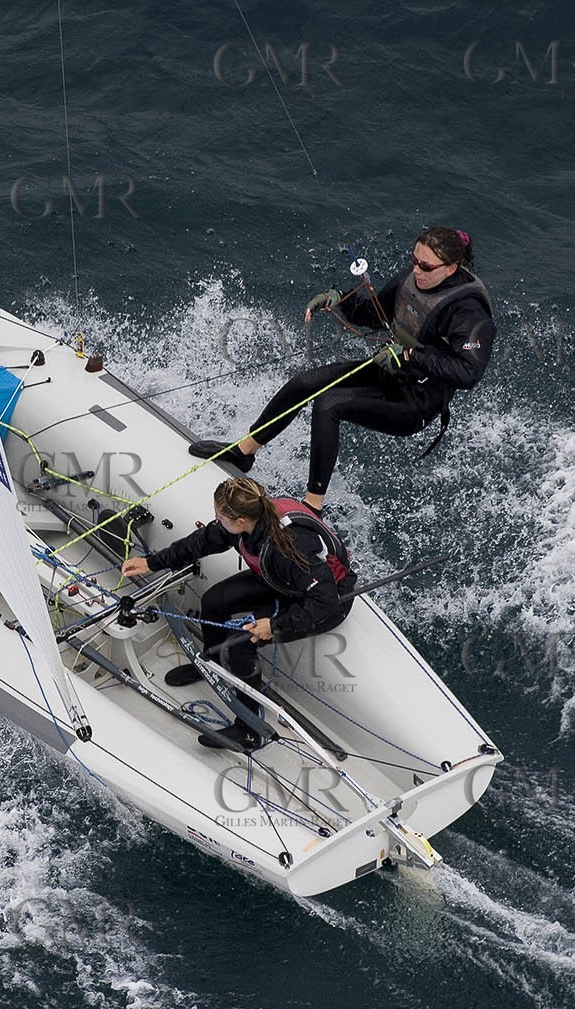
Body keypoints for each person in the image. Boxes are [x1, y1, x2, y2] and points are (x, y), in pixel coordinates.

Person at [190, 226, 495, 514]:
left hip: (417, 402)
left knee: (329, 405)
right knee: (305, 383)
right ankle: (244, 452)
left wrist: (411, 356)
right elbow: (374, 315)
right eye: (414, 261)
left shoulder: (468, 309)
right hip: (390, 371)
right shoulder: (412, 279)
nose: (417, 270)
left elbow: (468, 373)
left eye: (426, 267)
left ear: (451, 267)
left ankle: (312, 508)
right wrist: (338, 300)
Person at [120, 476, 356, 750]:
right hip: (281, 581)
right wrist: (151, 562)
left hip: (323, 602)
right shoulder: (247, 522)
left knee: (242, 641)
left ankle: (249, 729)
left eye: (220, 517)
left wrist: (275, 624)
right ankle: (213, 665)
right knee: (214, 601)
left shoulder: (291, 548)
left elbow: (324, 599)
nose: (216, 520)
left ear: (241, 521)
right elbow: (201, 542)